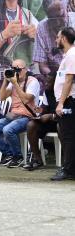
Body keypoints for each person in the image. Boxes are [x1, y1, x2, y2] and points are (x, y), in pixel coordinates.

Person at [0, 59, 40, 168]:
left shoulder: (32, 81)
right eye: (13, 69)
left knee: (7, 130)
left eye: (18, 69)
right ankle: (10, 153)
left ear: (25, 69)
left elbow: (26, 100)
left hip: (27, 117)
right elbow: (2, 97)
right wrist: (6, 81)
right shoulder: (13, 81)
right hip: (13, 115)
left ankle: (18, 157)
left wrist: (15, 83)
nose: (16, 72)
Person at [51, 27, 75, 181]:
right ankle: (70, 168)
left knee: (68, 136)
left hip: (69, 101)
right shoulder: (68, 55)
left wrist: (60, 104)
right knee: (68, 135)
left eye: (58, 37)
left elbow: (69, 80)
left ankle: (68, 170)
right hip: (66, 100)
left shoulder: (72, 55)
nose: (56, 39)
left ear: (64, 39)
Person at [33, 0, 75, 75]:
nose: (58, 23)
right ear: (47, 15)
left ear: (66, 8)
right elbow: (42, 65)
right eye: (52, 18)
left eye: (61, 16)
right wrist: (59, 77)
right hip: (56, 76)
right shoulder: (42, 28)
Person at [23, 72, 58, 171]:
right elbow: (45, 107)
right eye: (46, 82)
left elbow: (67, 112)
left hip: (63, 121)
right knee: (31, 125)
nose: (46, 84)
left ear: (57, 83)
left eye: (49, 82)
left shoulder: (65, 92)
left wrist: (51, 116)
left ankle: (67, 163)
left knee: (61, 126)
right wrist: (40, 110)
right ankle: (37, 159)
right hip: (50, 121)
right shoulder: (47, 91)